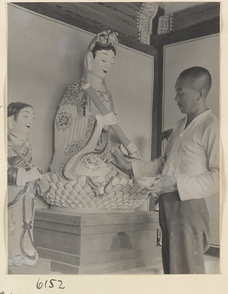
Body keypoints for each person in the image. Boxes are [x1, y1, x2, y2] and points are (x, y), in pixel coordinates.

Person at [112, 66, 219, 274]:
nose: (175, 97)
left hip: (189, 208)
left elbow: (220, 177)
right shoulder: (180, 126)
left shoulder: (212, 127)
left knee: (186, 274)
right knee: (172, 270)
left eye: (180, 92)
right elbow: (164, 163)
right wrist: (128, 166)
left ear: (200, 94)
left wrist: (176, 183)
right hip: (168, 204)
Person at [45, 30, 139, 200]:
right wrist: (98, 121)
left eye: (111, 62)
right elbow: (64, 122)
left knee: (126, 176)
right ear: (90, 59)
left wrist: (121, 146)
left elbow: (111, 132)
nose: (107, 65)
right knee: (95, 170)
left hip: (103, 154)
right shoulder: (76, 89)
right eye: (103, 59)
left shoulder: (107, 94)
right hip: (80, 155)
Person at [7, 102, 42, 266]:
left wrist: (34, 175)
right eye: (25, 116)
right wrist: (25, 175)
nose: (30, 121)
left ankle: (27, 248)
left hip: (27, 190)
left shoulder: (26, 143)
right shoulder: (5, 142)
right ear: (10, 120)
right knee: (13, 221)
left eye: (32, 117)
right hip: (12, 190)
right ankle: (12, 252)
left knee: (27, 220)